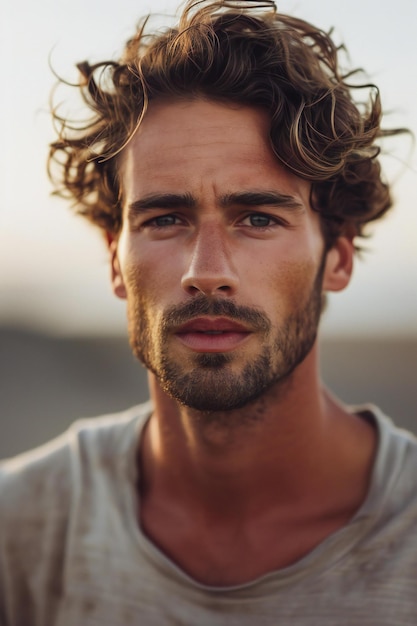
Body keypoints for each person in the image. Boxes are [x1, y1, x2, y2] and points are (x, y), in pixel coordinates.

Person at [1, 0, 415, 624]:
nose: (206, 271)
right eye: (166, 218)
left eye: (258, 218)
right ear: (116, 260)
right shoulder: (20, 529)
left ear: (338, 257)